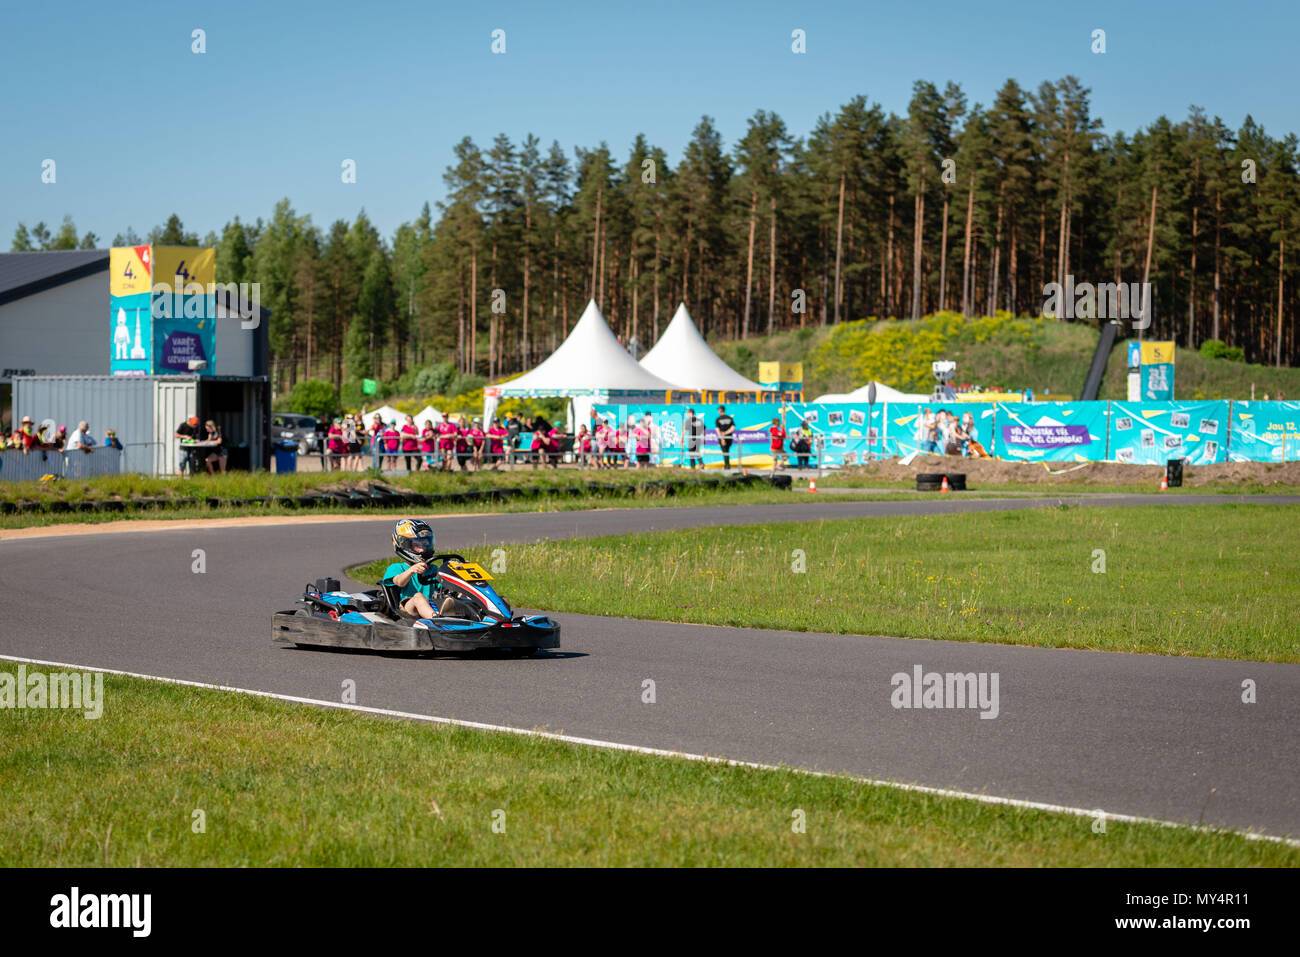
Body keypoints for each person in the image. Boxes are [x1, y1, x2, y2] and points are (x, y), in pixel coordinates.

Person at [381, 519, 476, 620]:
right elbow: (399, 582)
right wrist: (411, 570)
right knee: (418, 596)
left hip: (431, 605)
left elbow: (446, 587)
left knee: (465, 591)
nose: (422, 549)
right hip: (408, 609)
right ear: (405, 545)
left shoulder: (433, 569)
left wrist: (461, 572)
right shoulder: (396, 568)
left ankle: (480, 616)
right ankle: (436, 620)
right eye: (417, 545)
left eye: (425, 545)